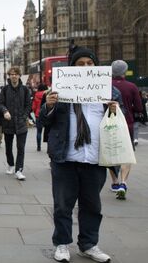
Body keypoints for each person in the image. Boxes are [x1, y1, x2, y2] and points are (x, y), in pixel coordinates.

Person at [41, 46, 118, 263]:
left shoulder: (108, 92)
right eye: (80, 63)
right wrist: (48, 106)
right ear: (72, 68)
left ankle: (89, 244)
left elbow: (120, 121)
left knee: (92, 205)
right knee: (63, 205)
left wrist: (114, 110)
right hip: (66, 158)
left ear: (95, 66)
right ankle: (62, 244)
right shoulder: (59, 91)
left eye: (89, 63)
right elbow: (43, 122)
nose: (85, 67)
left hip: (94, 158)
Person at [109, 59, 143, 200]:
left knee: (110, 152)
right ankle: (123, 182)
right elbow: (139, 108)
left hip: (109, 124)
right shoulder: (132, 86)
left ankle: (115, 182)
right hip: (127, 123)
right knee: (126, 154)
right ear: (125, 71)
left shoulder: (107, 85)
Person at [0, 67, 32, 180]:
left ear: (19, 75)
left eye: (16, 74)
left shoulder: (25, 89)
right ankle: (11, 164)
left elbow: (28, 105)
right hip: (8, 123)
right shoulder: (5, 89)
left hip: (21, 123)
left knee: (20, 148)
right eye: (12, 74)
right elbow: (0, 103)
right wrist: (5, 111)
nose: (14, 76)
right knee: (8, 147)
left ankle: (19, 170)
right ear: (9, 76)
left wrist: (24, 116)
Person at [32, 84, 49, 151]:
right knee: (48, 131)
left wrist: (35, 111)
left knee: (39, 131)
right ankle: (48, 147)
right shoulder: (48, 94)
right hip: (47, 114)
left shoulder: (36, 95)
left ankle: (38, 147)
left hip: (38, 115)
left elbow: (33, 107)